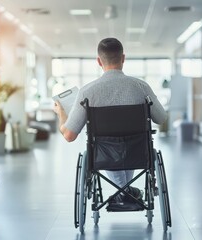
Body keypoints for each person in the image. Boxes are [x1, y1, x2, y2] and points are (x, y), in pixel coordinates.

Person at [53, 37, 167, 203]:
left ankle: (124, 192)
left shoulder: (87, 92)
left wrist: (61, 114)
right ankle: (126, 191)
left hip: (103, 154)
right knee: (126, 146)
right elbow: (162, 118)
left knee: (107, 145)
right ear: (123, 58)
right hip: (138, 151)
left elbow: (69, 135)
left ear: (99, 61)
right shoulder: (142, 87)